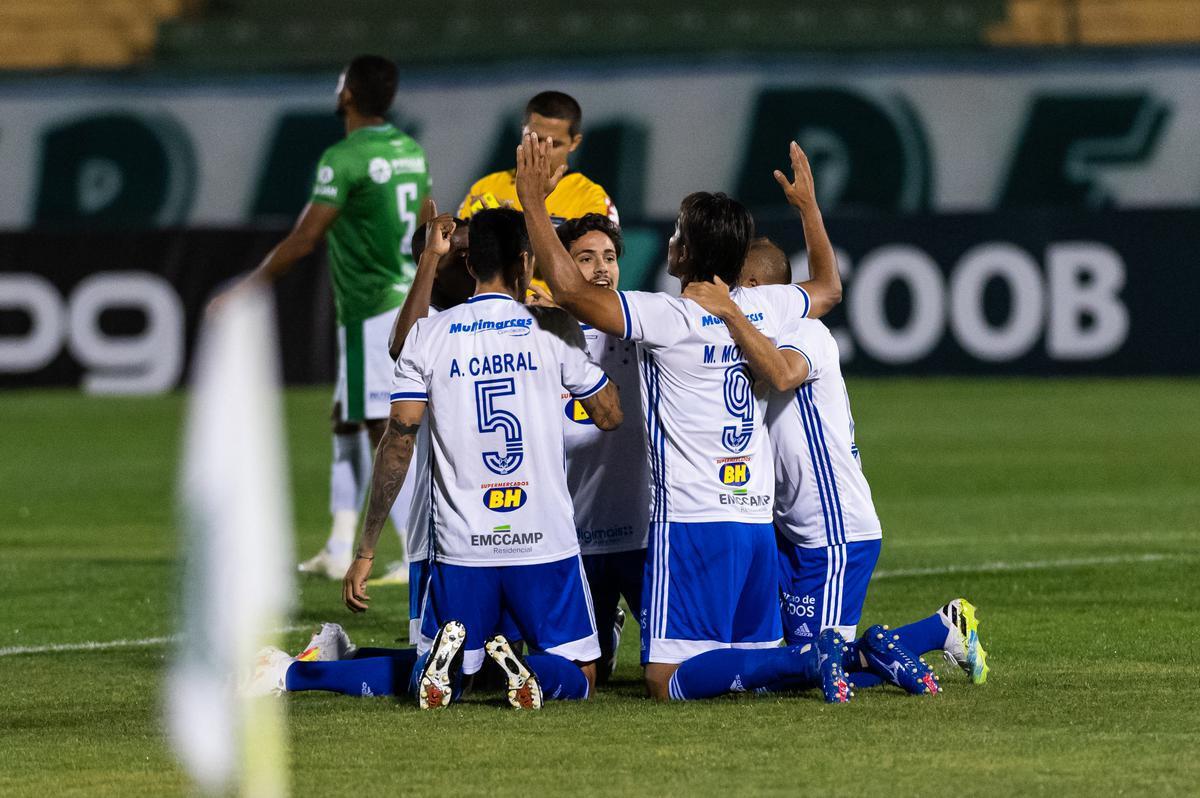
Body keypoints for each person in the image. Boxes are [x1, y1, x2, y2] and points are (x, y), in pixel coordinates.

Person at [515, 133, 853, 703]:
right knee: (744, 667)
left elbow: (571, 291)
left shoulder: (668, 317)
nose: (669, 240)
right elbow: (828, 288)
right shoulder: (761, 305)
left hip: (692, 522)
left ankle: (807, 658)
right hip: (752, 522)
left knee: (666, 680)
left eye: (675, 233)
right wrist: (809, 211)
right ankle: (803, 659)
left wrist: (532, 204)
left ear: (685, 253)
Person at [341, 208, 625, 711]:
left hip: (462, 546)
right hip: (543, 541)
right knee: (582, 675)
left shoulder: (427, 337)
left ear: (469, 265)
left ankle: (305, 673)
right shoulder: (550, 327)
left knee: (446, 673)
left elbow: (398, 441)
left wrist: (365, 549)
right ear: (526, 261)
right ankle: (507, 665)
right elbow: (608, 415)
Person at [729, 237, 988, 689]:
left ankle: (939, 629)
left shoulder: (804, 333)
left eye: (734, 286)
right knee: (783, 660)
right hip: (793, 529)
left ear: (752, 286)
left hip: (834, 530)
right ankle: (934, 631)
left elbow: (782, 373)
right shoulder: (757, 339)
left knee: (808, 671)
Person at [210, 55, 430, 580]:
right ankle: (337, 542)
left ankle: (416, 546)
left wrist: (248, 287)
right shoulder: (409, 150)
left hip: (372, 308)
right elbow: (426, 218)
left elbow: (306, 237)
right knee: (347, 418)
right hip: (401, 297)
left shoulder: (344, 157)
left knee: (387, 428)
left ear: (348, 94)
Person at [542, 214, 649, 683]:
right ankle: (604, 630)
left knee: (674, 670)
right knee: (584, 679)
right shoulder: (541, 335)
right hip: (574, 537)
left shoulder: (643, 329)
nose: (601, 268)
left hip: (643, 536)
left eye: (609, 257)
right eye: (585, 259)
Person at [458, 91, 618, 226]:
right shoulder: (486, 188)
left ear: (574, 143)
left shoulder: (592, 199)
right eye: (534, 139)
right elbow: (453, 254)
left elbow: (590, 262)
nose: (541, 151)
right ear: (522, 132)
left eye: (554, 144)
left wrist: (511, 230)